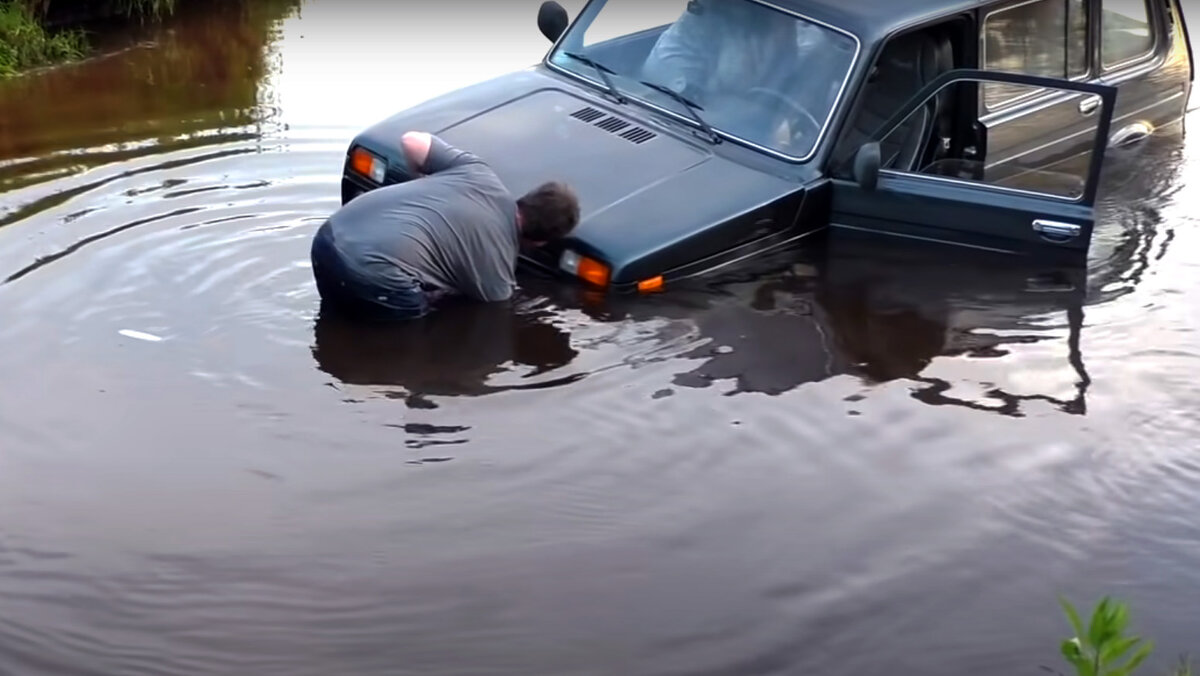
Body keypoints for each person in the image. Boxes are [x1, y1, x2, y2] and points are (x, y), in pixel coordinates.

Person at [310, 132, 580, 321]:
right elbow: (493, 310)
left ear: (528, 197)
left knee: (334, 313)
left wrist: (421, 183)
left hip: (329, 235)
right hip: (368, 271)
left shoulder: (478, 172)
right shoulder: (497, 275)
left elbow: (412, 141)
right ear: (541, 241)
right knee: (421, 323)